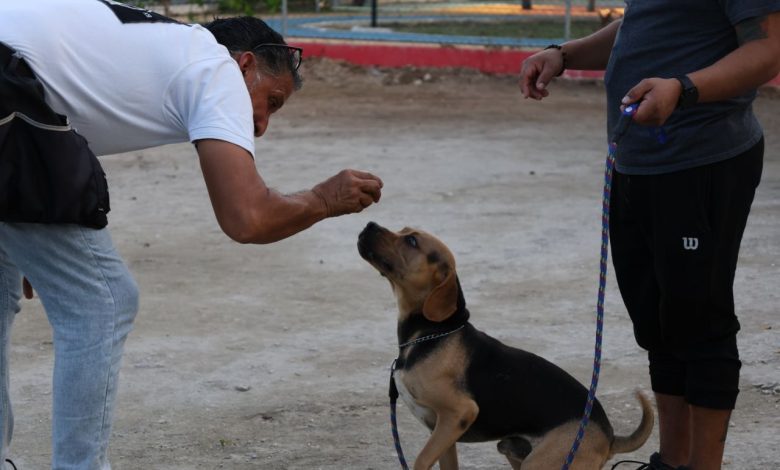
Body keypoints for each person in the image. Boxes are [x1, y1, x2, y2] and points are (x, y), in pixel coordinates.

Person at [0, 1, 382, 468]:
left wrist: (35, 234)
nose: (261, 125)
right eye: (272, 102)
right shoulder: (216, 68)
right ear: (246, 64)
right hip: (8, 86)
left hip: (13, 91)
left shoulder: (154, 51)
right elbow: (247, 217)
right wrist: (323, 200)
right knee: (103, 302)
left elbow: (59, 142)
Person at [519, 2, 780, 470]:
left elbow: (768, 49)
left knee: (701, 325)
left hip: (701, 161)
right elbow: (648, 19)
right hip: (637, 164)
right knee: (660, 325)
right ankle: (673, 462)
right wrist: (565, 53)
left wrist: (683, 89)